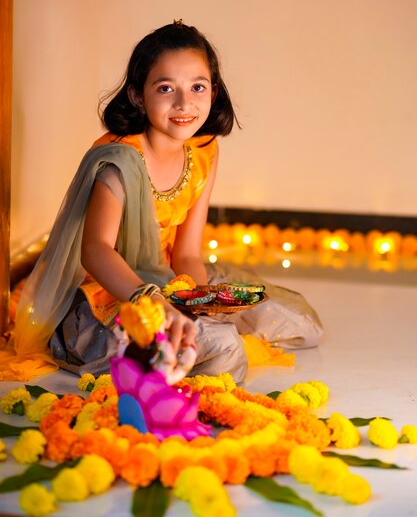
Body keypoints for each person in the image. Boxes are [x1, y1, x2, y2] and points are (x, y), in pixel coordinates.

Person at [1, 21, 322, 383]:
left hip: (169, 278)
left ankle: (190, 336)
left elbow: (187, 254)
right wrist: (150, 300)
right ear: (138, 95)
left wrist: (194, 302)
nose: (184, 104)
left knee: (300, 324)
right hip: (107, 295)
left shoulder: (204, 151)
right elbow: (95, 250)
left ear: (213, 93)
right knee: (223, 349)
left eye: (197, 88)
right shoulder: (120, 159)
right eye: (166, 88)